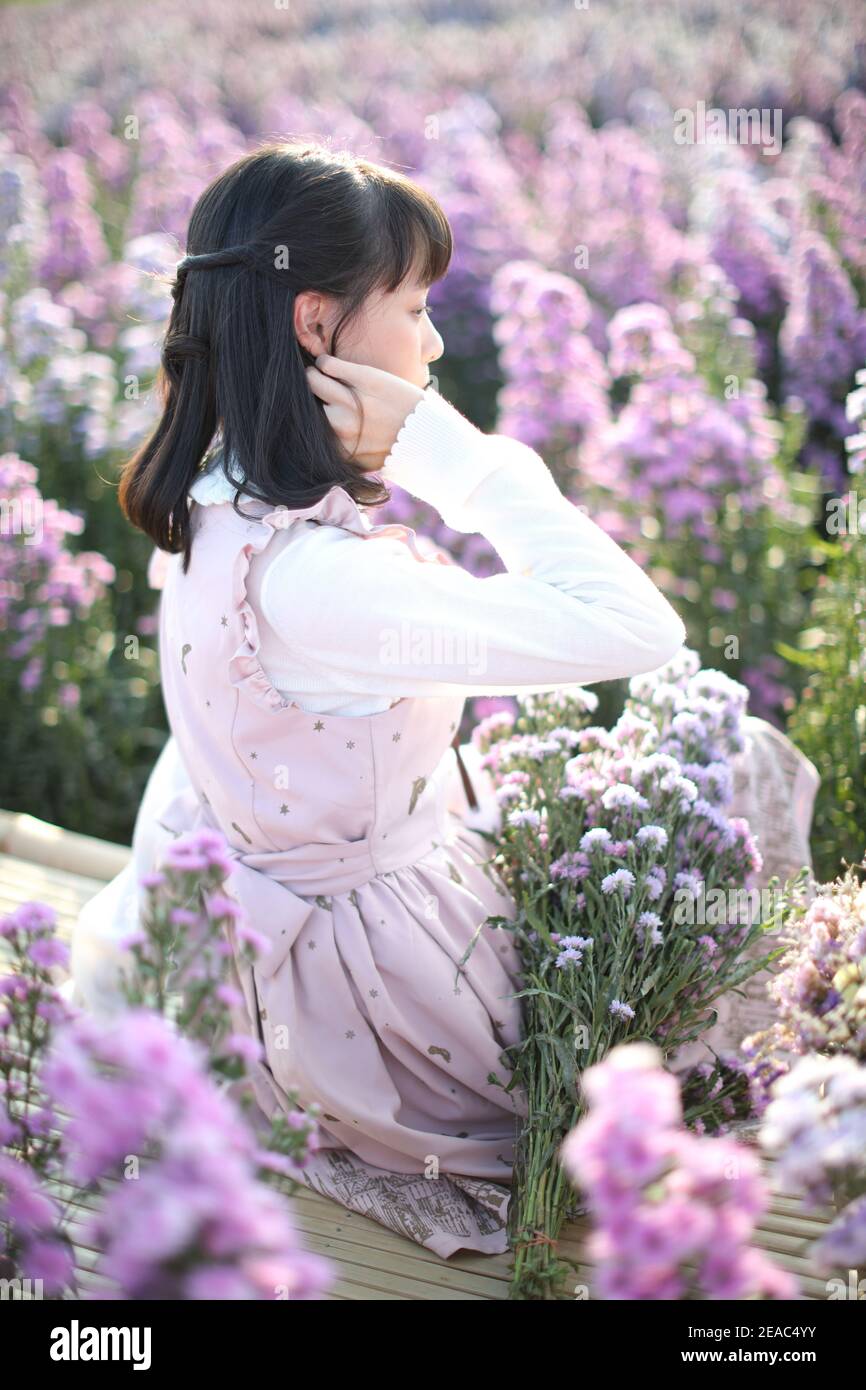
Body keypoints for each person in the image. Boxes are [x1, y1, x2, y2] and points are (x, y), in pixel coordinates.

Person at [65, 141, 686, 1259]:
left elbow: (221, 744)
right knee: (720, 777)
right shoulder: (325, 584)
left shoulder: (216, 498)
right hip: (388, 997)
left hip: (290, 931)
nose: (436, 342)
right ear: (315, 325)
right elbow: (641, 628)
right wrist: (460, 461)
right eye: (413, 305)